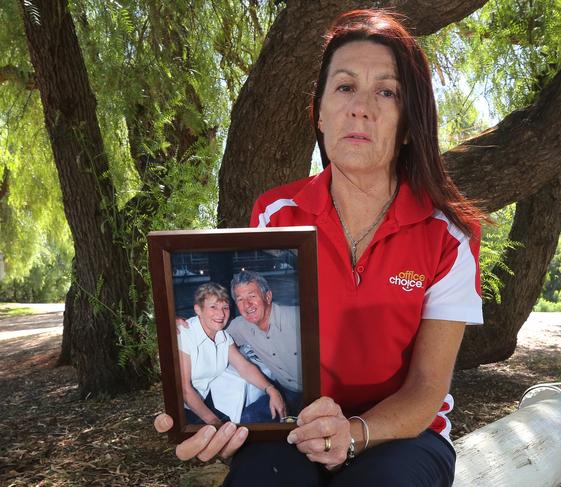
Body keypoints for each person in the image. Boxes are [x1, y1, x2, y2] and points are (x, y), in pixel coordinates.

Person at [155, 9, 485, 486]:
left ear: (409, 123)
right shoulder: (275, 213)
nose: (361, 108)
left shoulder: (449, 235)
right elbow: (225, 343)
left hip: (401, 436)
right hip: (295, 428)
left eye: (387, 92)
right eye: (345, 87)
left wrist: (351, 434)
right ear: (320, 113)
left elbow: (425, 389)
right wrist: (200, 413)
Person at [179, 282, 287, 425]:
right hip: (185, 408)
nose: (221, 314)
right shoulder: (184, 335)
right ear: (198, 310)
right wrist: (214, 423)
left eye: (225, 307)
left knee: (262, 409)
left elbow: (244, 367)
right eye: (213, 307)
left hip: (207, 398)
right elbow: (184, 390)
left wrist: (272, 390)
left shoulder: (222, 336)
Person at [228, 270, 303, 421]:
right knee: (247, 419)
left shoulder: (299, 318)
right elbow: (211, 333)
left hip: (319, 392)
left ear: (267, 297)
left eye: (252, 296)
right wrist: (178, 321)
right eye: (240, 299)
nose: (247, 304)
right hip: (285, 391)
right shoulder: (240, 326)